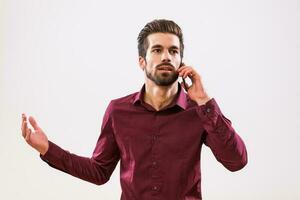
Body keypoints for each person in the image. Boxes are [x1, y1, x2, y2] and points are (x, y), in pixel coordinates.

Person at [21, 19, 247, 200]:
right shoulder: (118, 111)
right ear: (142, 61)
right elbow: (99, 171)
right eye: (157, 50)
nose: (166, 56)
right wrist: (48, 149)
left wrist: (205, 102)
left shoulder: (200, 112)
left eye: (174, 51)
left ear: (181, 61)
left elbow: (236, 161)